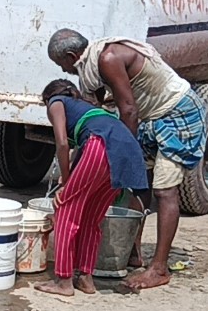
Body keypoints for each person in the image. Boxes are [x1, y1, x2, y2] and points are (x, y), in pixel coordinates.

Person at [48, 28, 208, 289]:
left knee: (164, 190)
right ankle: (132, 251)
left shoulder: (107, 59)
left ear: (71, 56)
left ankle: (159, 268)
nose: (64, 71)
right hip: (152, 117)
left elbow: (129, 110)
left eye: (61, 65)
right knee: (137, 183)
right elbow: (94, 116)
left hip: (177, 113)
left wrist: (124, 154)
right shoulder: (91, 69)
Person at [35, 79, 149, 297]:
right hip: (126, 153)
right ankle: (85, 278)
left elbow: (62, 143)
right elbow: (80, 150)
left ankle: (64, 280)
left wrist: (66, 181)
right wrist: (69, 179)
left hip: (101, 146)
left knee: (65, 210)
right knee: (90, 217)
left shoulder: (56, 102)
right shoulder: (89, 109)